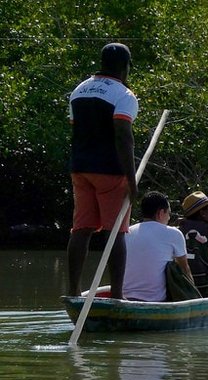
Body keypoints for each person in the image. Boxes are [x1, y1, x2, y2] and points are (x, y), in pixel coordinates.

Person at [66, 42, 138, 299]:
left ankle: (73, 292)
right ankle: (118, 295)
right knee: (115, 232)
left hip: (80, 168)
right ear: (125, 67)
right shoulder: (123, 94)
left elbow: (77, 129)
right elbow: (123, 136)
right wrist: (132, 178)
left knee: (81, 229)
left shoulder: (79, 90)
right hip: (110, 170)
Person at [123, 192, 191, 302]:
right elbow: (185, 269)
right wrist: (193, 293)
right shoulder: (173, 233)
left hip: (126, 297)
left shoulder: (127, 232)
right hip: (156, 300)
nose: (169, 218)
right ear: (160, 213)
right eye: (168, 213)